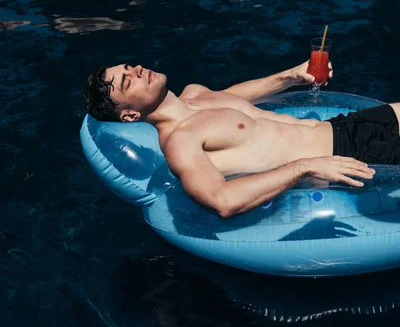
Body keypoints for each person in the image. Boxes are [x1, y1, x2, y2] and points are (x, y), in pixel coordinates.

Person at [85, 61, 400, 218]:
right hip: (352, 158)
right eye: (129, 80)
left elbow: (240, 95)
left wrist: (293, 74)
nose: (139, 69)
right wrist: (305, 167)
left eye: (130, 67)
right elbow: (223, 200)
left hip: (342, 127)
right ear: (129, 116)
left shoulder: (196, 94)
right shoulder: (180, 143)